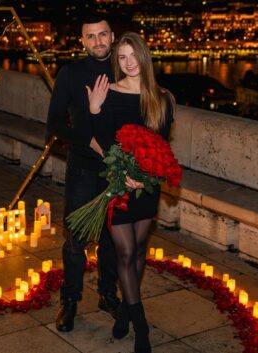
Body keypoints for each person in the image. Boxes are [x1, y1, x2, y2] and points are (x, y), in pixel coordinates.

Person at [87, 32, 174, 353]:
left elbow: (161, 145)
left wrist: (145, 176)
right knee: (124, 253)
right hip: (117, 184)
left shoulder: (161, 98)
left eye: (132, 55)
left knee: (139, 251)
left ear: (144, 57)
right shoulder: (108, 93)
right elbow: (105, 142)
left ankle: (124, 313)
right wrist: (95, 110)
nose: (128, 62)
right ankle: (141, 327)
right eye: (121, 57)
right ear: (116, 60)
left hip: (147, 186)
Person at [46, 15, 120, 332]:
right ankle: (70, 302)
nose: (98, 42)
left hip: (117, 171)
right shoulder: (71, 73)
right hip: (82, 169)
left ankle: (107, 294)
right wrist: (88, 139)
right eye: (90, 37)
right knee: (76, 241)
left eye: (102, 34)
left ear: (113, 36)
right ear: (83, 41)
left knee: (112, 240)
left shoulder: (126, 69)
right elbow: (55, 124)